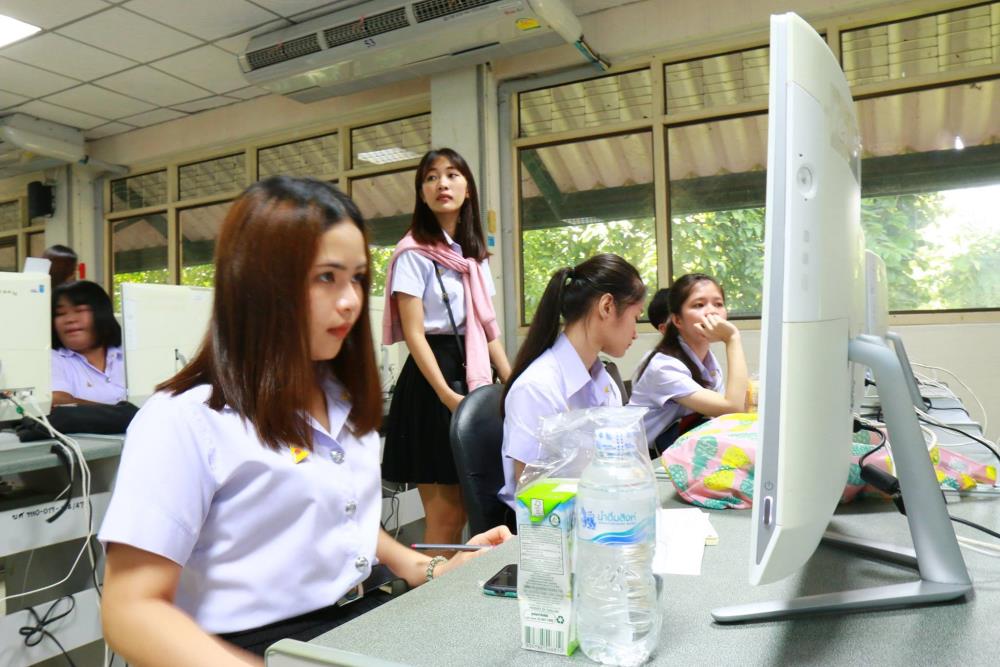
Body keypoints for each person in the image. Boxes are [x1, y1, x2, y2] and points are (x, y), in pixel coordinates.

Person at [98, 177, 511, 666]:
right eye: (326, 277)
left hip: (359, 619)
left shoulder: (342, 400)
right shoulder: (185, 419)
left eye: (357, 278)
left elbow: (338, 520)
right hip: (249, 647)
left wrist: (432, 568)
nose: (350, 300)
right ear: (259, 285)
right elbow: (131, 610)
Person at [381, 148, 511, 552]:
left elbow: (487, 330)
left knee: (479, 509)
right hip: (432, 383)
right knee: (446, 517)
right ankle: (433, 590)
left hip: (472, 375)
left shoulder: (473, 258)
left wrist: (513, 384)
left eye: (452, 175)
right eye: (431, 177)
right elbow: (414, 334)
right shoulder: (412, 253)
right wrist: (446, 396)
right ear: (422, 193)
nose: (442, 184)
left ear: (467, 188)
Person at [499, 253, 647, 510]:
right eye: (636, 317)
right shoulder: (537, 388)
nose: (635, 332)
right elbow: (532, 495)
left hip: (599, 514)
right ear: (607, 307)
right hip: (549, 524)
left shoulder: (604, 380)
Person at [628, 273, 748, 453]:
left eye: (718, 304)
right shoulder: (663, 367)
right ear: (677, 320)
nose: (712, 312)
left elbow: (734, 411)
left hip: (676, 449)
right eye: (699, 305)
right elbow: (732, 408)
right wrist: (732, 338)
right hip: (643, 457)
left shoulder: (707, 360)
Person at [50, 280, 126, 406]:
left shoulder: (129, 354)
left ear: (102, 313)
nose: (70, 319)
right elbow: (57, 402)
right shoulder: (52, 359)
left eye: (80, 310)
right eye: (60, 314)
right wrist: (124, 412)